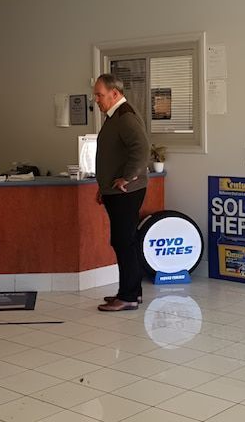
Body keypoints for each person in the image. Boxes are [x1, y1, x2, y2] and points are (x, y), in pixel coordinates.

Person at [93, 73, 150, 311]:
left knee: (123, 241)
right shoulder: (115, 115)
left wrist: (126, 177)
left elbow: (141, 149)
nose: (96, 99)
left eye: (99, 94)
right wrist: (103, 187)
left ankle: (126, 297)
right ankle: (131, 292)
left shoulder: (125, 116)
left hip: (126, 192)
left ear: (114, 94)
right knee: (125, 241)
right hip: (115, 192)